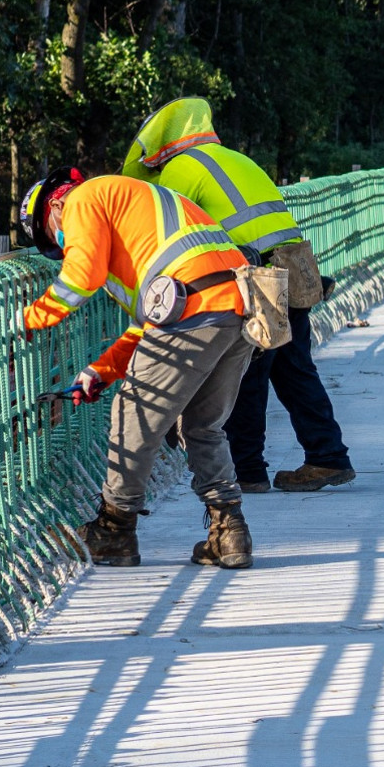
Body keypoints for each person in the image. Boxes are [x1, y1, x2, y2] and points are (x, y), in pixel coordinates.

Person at [19, 166, 255, 570]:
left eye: (54, 234)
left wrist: (28, 319)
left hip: (193, 308)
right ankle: (230, 532)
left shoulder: (82, 198)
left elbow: (81, 278)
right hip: (237, 307)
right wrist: (100, 372)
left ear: (54, 204)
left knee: (132, 414)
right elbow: (147, 326)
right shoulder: (134, 211)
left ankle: (114, 531)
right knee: (200, 426)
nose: (63, 243)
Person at [125, 98, 355, 495]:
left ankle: (248, 471)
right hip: (294, 267)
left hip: (256, 275)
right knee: (293, 367)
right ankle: (327, 456)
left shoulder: (180, 169)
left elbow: (169, 233)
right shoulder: (236, 158)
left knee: (248, 374)